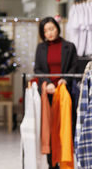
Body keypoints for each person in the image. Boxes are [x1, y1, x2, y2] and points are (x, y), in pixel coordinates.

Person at [34, 16, 78, 169]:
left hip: (64, 92)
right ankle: (51, 163)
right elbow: (38, 70)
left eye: (52, 29)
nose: (50, 33)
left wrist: (65, 79)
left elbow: (74, 68)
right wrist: (46, 83)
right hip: (48, 94)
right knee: (49, 129)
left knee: (65, 127)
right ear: (42, 33)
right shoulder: (40, 48)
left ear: (58, 28)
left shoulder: (69, 47)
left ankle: (65, 160)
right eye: (46, 31)